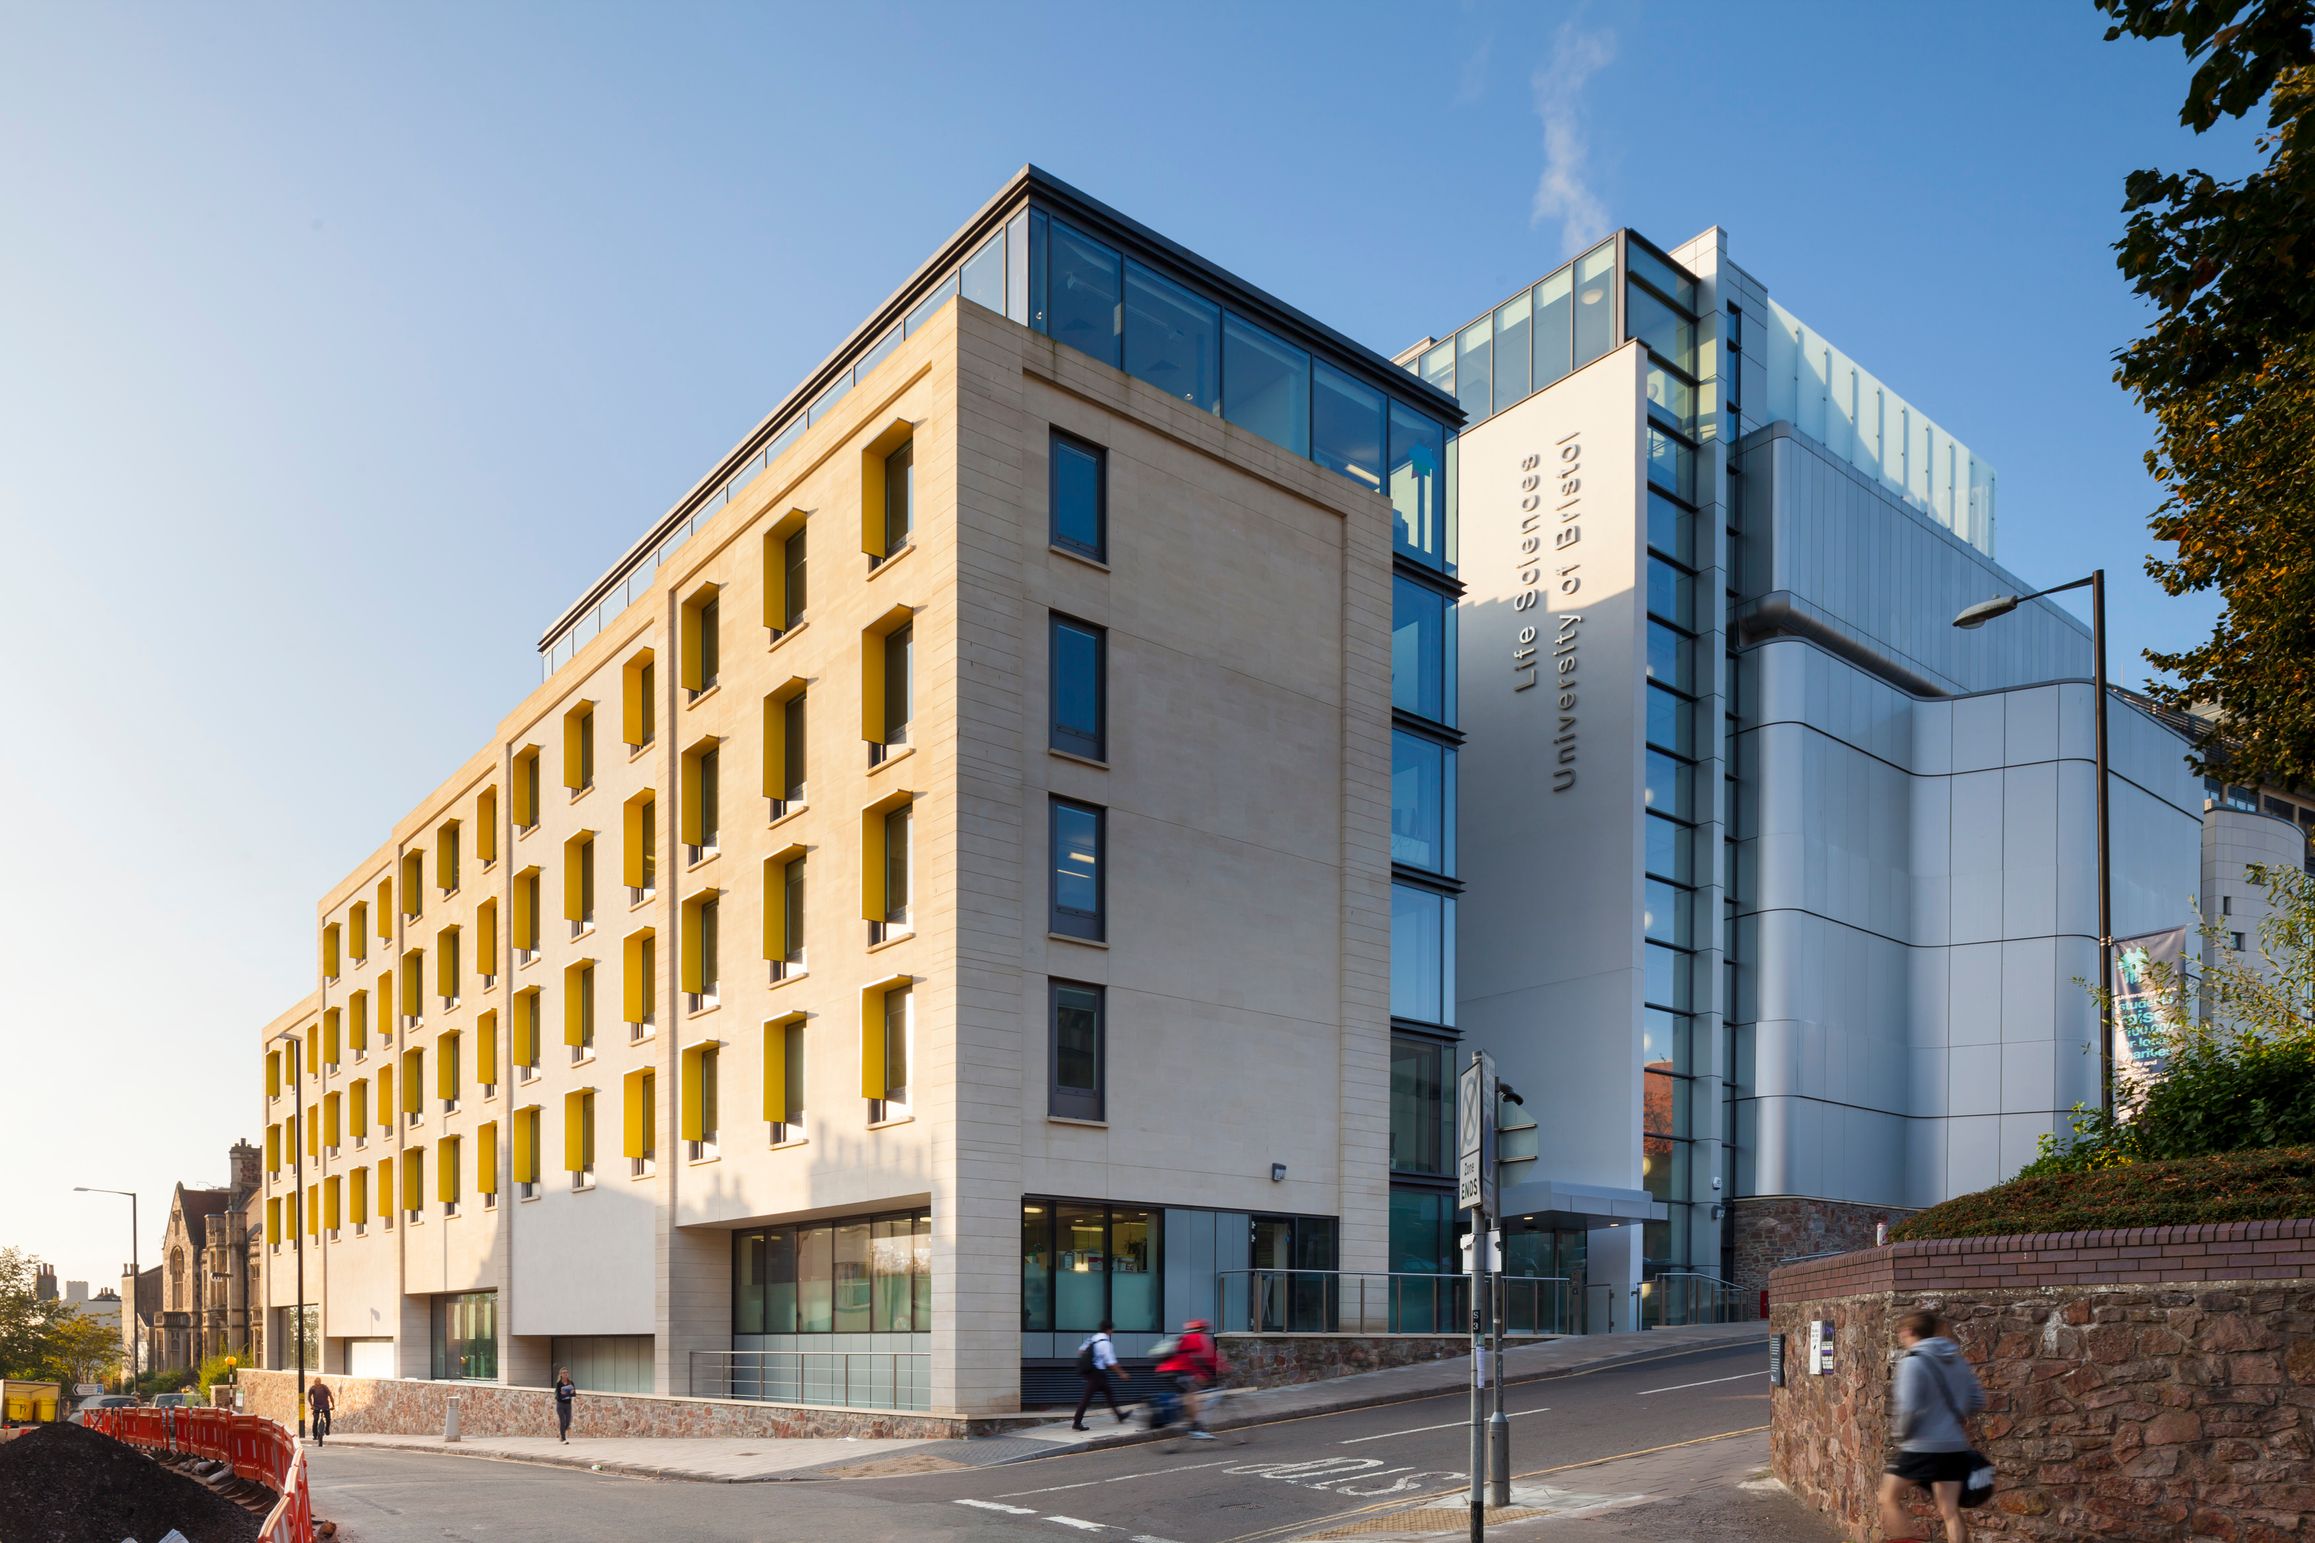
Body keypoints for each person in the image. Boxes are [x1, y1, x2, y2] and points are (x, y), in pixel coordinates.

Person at [1877, 1309, 1986, 1543]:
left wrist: (1902, 1437)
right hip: (1954, 1446)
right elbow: (1977, 1400)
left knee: (1887, 1498)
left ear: (1908, 1331)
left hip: (1920, 1446)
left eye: (1901, 1333)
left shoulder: (1913, 1362)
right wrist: (1950, 1418)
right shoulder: (1956, 1359)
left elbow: (1908, 1408)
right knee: (1949, 1511)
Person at [1155, 1317, 1223, 1440]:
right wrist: (1222, 1369)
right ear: (1202, 1329)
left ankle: (1183, 1414)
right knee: (1190, 1394)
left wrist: (1201, 1375)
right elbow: (1211, 1360)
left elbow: (1192, 1360)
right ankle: (1194, 1428)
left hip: (1164, 1370)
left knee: (1186, 1393)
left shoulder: (1182, 1339)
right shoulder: (1200, 1338)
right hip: (1178, 1371)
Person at [1070, 1319, 1126, 1431]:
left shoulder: (1092, 1338)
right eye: (1112, 1329)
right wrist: (1122, 1374)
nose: (1113, 1331)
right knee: (1087, 1398)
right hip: (1096, 1373)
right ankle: (1077, 1422)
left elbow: (1080, 1351)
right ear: (1109, 1330)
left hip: (1094, 1372)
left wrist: (1093, 1357)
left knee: (1109, 1392)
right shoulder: (1105, 1343)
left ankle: (1119, 1416)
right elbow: (1111, 1362)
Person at [306, 1380, 334, 1444]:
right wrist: (311, 1405)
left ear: (320, 1382)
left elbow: (330, 1395)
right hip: (316, 1407)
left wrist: (333, 1405)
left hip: (325, 1406)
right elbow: (309, 1397)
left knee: (328, 1419)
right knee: (315, 1420)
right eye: (316, 1382)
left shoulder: (324, 1387)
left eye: (318, 1382)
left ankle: (327, 1429)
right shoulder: (312, 1388)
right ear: (314, 1382)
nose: (317, 1383)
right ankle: (315, 1435)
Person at [554, 1368, 577, 1444]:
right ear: (561, 1374)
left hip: (568, 1405)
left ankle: (561, 1434)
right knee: (562, 1421)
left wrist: (571, 1392)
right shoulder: (559, 1383)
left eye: (566, 1372)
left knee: (568, 1422)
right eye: (563, 1373)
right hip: (560, 1404)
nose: (565, 1374)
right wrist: (562, 1394)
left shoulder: (571, 1382)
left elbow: (574, 1394)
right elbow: (557, 1395)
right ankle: (563, 1439)